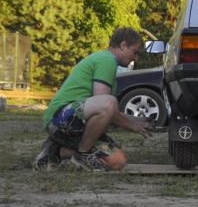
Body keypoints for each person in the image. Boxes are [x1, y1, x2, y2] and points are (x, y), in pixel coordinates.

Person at [33, 27, 153, 171]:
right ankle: (82, 154)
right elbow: (104, 104)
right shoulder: (107, 60)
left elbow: (108, 112)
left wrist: (139, 121)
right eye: (135, 52)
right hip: (59, 119)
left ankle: (56, 151)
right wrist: (132, 125)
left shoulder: (106, 61)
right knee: (109, 101)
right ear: (123, 45)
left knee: (118, 161)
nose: (135, 58)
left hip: (77, 124)